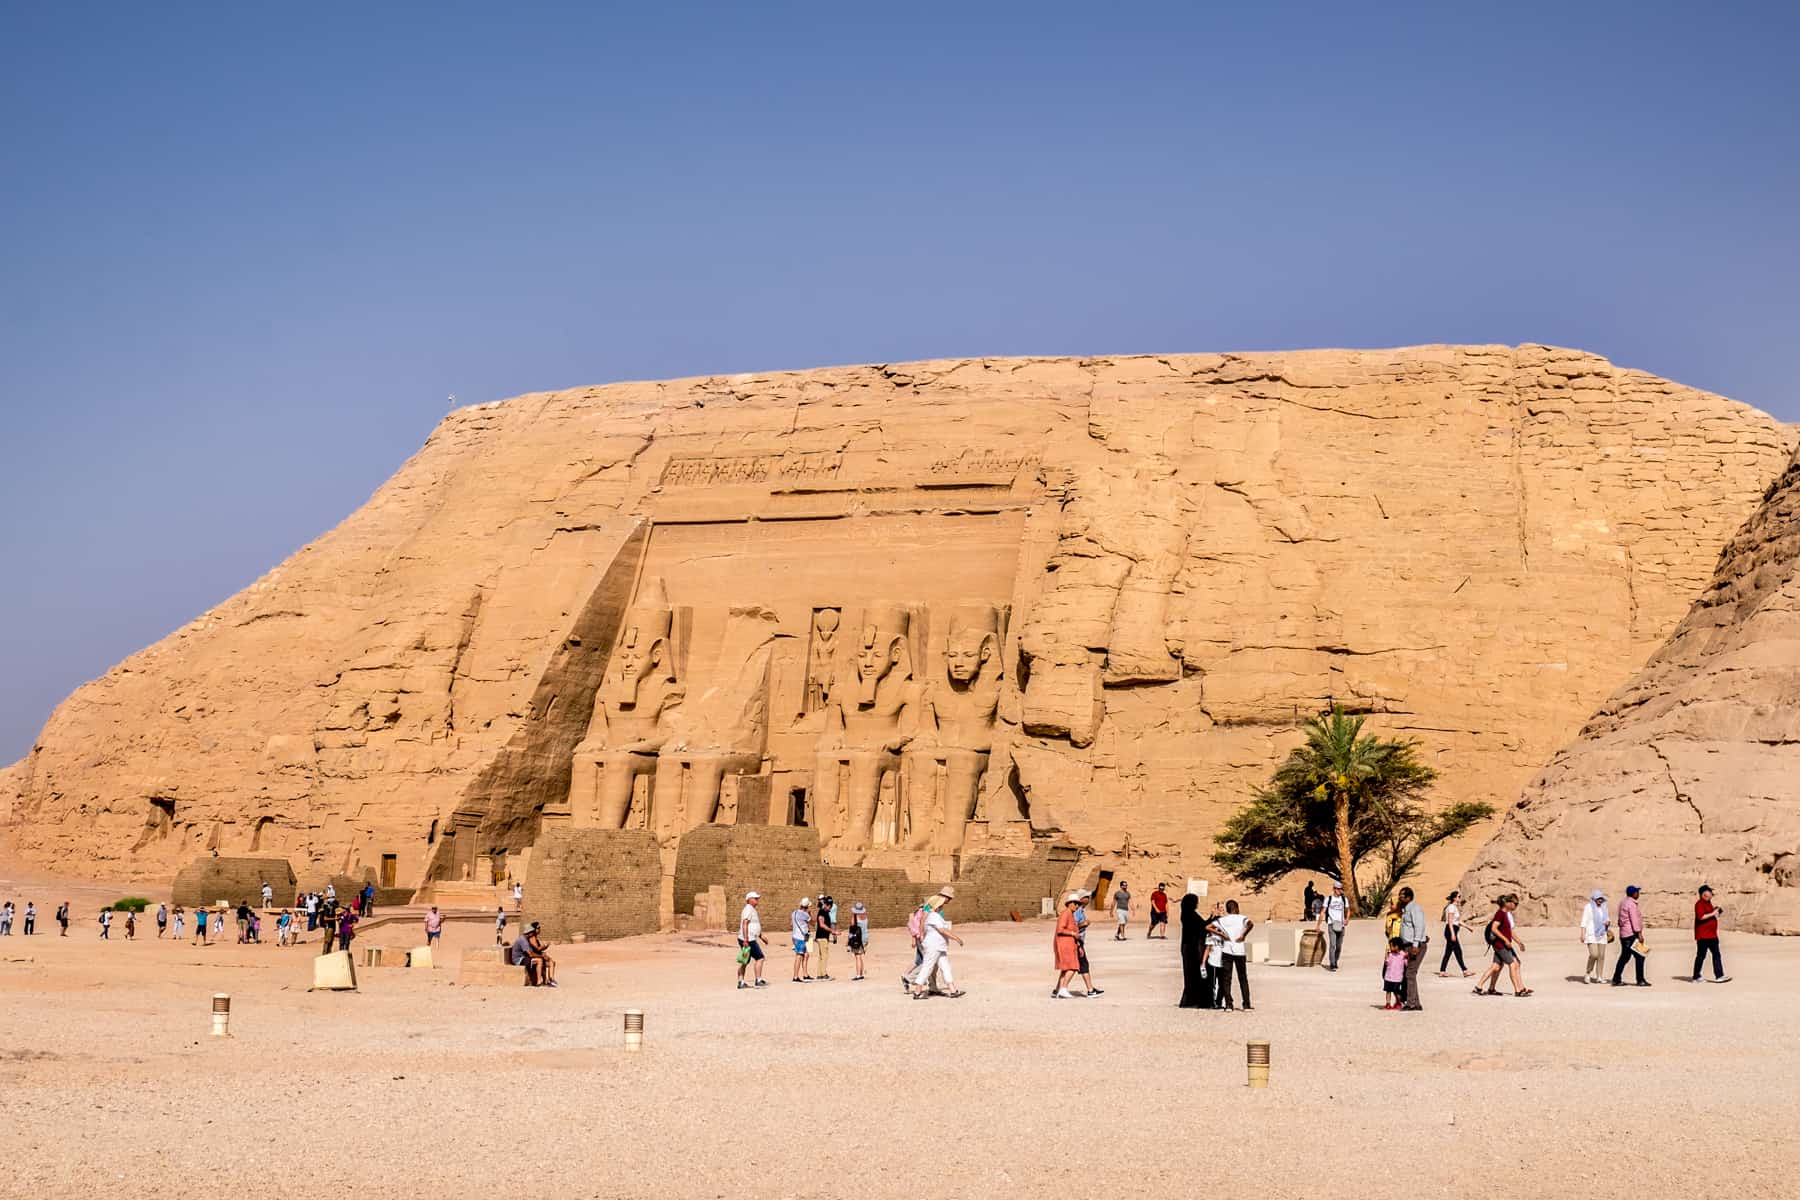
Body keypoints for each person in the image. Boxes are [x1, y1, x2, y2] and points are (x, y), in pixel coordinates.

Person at [909, 891, 963, 998]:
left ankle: (953, 990)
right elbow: (942, 930)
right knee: (927, 968)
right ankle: (917, 991)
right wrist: (956, 938)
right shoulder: (933, 916)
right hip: (933, 946)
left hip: (940, 947)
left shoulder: (935, 916)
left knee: (945, 967)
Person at [1474, 895, 1529, 996]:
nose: (1516, 906)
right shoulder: (1500, 914)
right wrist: (1505, 940)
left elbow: (1510, 932)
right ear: (1508, 903)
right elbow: (1494, 928)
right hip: (1500, 945)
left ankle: (1480, 987)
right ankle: (1518, 990)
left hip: (1503, 944)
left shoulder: (1505, 914)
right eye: (1515, 903)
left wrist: (1519, 942)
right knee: (1512, 964)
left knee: (1496, 966)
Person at [1176, 893, 1216, 1009]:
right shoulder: (1190, 915)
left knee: (1190, 973)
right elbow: (1202, 928)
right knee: (1193, 972)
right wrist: (1212, 918)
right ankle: (1194, 999)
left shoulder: (1187, 914)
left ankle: (1191, 999)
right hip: (1191, 948)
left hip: (1188, 946)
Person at [1215, 899, 1254, 1010]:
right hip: (1239, 951)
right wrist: (1243, 935)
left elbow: (1209, 927)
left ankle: (1228, 1004)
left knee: (1227, 978)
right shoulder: (1242, 918)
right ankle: (1246, 1004)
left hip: (1227, 950)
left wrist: (1221, 934)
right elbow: (1250, 924)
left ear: (1227, 909)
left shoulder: (1224, 920)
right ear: (1236, 908)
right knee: (1242, 978)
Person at [1691, 884, 1731, 983]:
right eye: (1708, 894)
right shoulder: (1699, 904)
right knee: (1701, 956)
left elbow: (1709, 915)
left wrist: (1716, 912)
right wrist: (1713, 914)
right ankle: (1696, 976)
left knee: (1716, 954)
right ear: (1702, 894)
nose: (1710, 896)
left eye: (1710, 894)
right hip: (1703, 936)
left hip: (1712, 935)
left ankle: (1719, 976)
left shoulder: (1709, 903)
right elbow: (1701, 917)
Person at [1610, 885, 1648, 987]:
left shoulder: (1623, 902)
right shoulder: (1631, 904)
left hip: (1624, 934)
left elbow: (1620, 920)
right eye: (1637, 892)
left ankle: (1616, 978)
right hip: (1631, 934)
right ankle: (1640, 980)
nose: (1638, 894)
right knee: (1640, 956)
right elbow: (1634, 920)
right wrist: (1639, 934)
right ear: (1633, 893)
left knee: (1625, 957)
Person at [1398, 886, 1428, 1010]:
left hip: (1415, 946)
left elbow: (1419, 926)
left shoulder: (1415, 908)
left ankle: (1411, 1003)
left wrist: (1416, 944)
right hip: (1407, 946)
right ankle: (1415, 1002)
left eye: (1402, 895)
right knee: (1409, 974)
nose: (1399, 897)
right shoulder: (1405, 909)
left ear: (1408, 897)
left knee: (1410, 973)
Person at [1053, 893, 1084, 998]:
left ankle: (1059, 990)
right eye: (1075, 903)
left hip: (1069, 944)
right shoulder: (1065, 914)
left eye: (1078, 904)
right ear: (1069, 903)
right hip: (1064, 944)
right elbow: (1060, 930)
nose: (1077, 906)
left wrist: (1078, 945)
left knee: (1066, 968)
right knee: (1073, 967)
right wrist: (1072, 934)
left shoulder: (1070, 914)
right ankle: (1063, 988)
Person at [1436, 890, 1473, 977]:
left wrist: (1468, 927)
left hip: (1452, 930)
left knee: (1448, 952)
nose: (1460, 898)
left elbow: (1458, 921)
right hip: (1450, 931)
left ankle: (1442, 971)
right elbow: (1450, 921)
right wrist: (1453, 934)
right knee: (1458, 951)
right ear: (1454, 898)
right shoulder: (1451, 907)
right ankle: (1465, 970)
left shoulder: (1454, 908)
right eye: (1459, 897)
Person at [1073, 891, 1102, 997]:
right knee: (1082, 965)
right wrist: (1084, 924)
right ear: (1081, 899)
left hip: (1079, 941)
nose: (1088, 898)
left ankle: (1059, 989)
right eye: (1086, 897)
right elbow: (1073, 926)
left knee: (1070, 967)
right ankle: (1090, 990)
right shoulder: (1077, 911)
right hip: (1077, 941)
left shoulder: (1081, 910)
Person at [1579, 889, 1611, 984]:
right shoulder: (1588, 907)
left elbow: (1607, 918)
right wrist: (1582, 934)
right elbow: (1584, 921)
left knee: (1601, 956)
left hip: (1602, 934)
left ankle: (1599, 976)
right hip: (1591, 934)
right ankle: (1588, 973)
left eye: (1601, 898)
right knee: (1594, 954)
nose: (1600, 900)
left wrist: (1607, 922)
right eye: (1598, 898)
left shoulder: (1604, 907)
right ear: (1594, 898)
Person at [737, 891, 767, 989]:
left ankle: (741, 982)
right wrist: (746, 939)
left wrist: (761, 936)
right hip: (748, 939)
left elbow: (753, 925)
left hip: (749, 938)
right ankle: (758, 980)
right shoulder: (748, 909)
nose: (757, 900)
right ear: (749, 900)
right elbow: (745, 923)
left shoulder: (751, 909)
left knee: (745, 960)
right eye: (755, 898)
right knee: (760, 958)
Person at [1317, 881, 1348, 970]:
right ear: (1334, 889)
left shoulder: (1344, 899)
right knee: (1333, 944)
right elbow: (1322, 912)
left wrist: (1347, 919)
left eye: (1341, 889)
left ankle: (1335, 961)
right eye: (1338, 889)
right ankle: (1332, 963)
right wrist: (1318, 925)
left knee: (1339, 946)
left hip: (1341, 925)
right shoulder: (1328, 899)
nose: (1340, 891)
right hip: (1331, 924)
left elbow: (1348, 910)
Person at [790, 896, 814, 982]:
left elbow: (791, 924)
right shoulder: (805, 914)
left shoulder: (794, 913)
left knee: (806, 954)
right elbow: (813, 923)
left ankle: (805, 974)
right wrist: (810, 914)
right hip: (802, 937)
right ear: (807, 906)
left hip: (797, 936)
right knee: (799, 956)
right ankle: (795, 976)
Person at [526, 922, 557, 987]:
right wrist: (544, 946)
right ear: (534, 929)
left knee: (552, 962)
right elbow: (537, 949)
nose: (540, 929)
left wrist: (545, 947)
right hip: (535, 957)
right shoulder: (532, 938)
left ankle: (551, 979)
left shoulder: (535, 937)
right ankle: (549, 980)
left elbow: (539, 949)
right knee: (550, 962)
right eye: (538, 928)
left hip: (539, 955)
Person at [813, 893, 836, 981]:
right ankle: (824, 974)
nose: (830, 908)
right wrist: (832, 931)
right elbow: (822, 925)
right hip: (822, 937)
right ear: (828, 905)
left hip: (822, 937)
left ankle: (820, 974)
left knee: (821, 956)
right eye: (830, 907)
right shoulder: (822, 912)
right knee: (825, 956)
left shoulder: (824, 912)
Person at [1383, 937, 1409, 1010]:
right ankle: (1388, 1003)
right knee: (1388, 991)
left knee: (1396, 992)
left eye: (1391, 946)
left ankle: (1398, 1002)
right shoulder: (1390, 954)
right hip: (1388, 976)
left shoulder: (1403, 955)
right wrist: (1386, 955)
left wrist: (1407, 958)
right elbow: (1387, 963)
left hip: (1397, 978)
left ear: (1397, 946)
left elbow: (1406, 964)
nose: (1390, 948)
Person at [847, 901, 869, 980]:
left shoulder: (855, 917)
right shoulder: (865, 916)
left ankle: (858, 975)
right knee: (860, 955)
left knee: (857, 956)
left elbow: (852, 926)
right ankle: (861, 973)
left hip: (858, 938)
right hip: (865, 937)